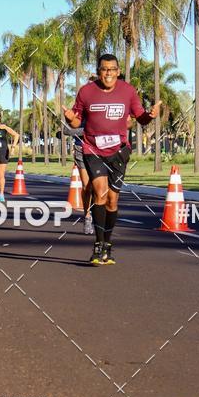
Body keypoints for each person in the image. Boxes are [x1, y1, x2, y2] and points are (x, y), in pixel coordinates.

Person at [63, 53, 161, 266]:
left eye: (112, 69)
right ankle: (97, 246)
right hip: (93, 149)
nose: (108, 73)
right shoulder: (86, 92)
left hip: (118, 151)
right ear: (98, 71)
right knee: (100, 192)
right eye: (104, 69)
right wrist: (69, 119)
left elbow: (140, 118)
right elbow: (76, 121)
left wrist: (150, 115)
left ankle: (107, 243)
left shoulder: (128, 91)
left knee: (112, 200)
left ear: (118, 71)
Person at [64, 122, 94, 235]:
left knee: (101, 186)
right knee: (87, 186)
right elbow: (66, 130)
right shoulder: (78, 109)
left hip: (102, 149)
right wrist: (90, 130)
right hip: (81, 148)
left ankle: (102, 217)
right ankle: (87, 216)